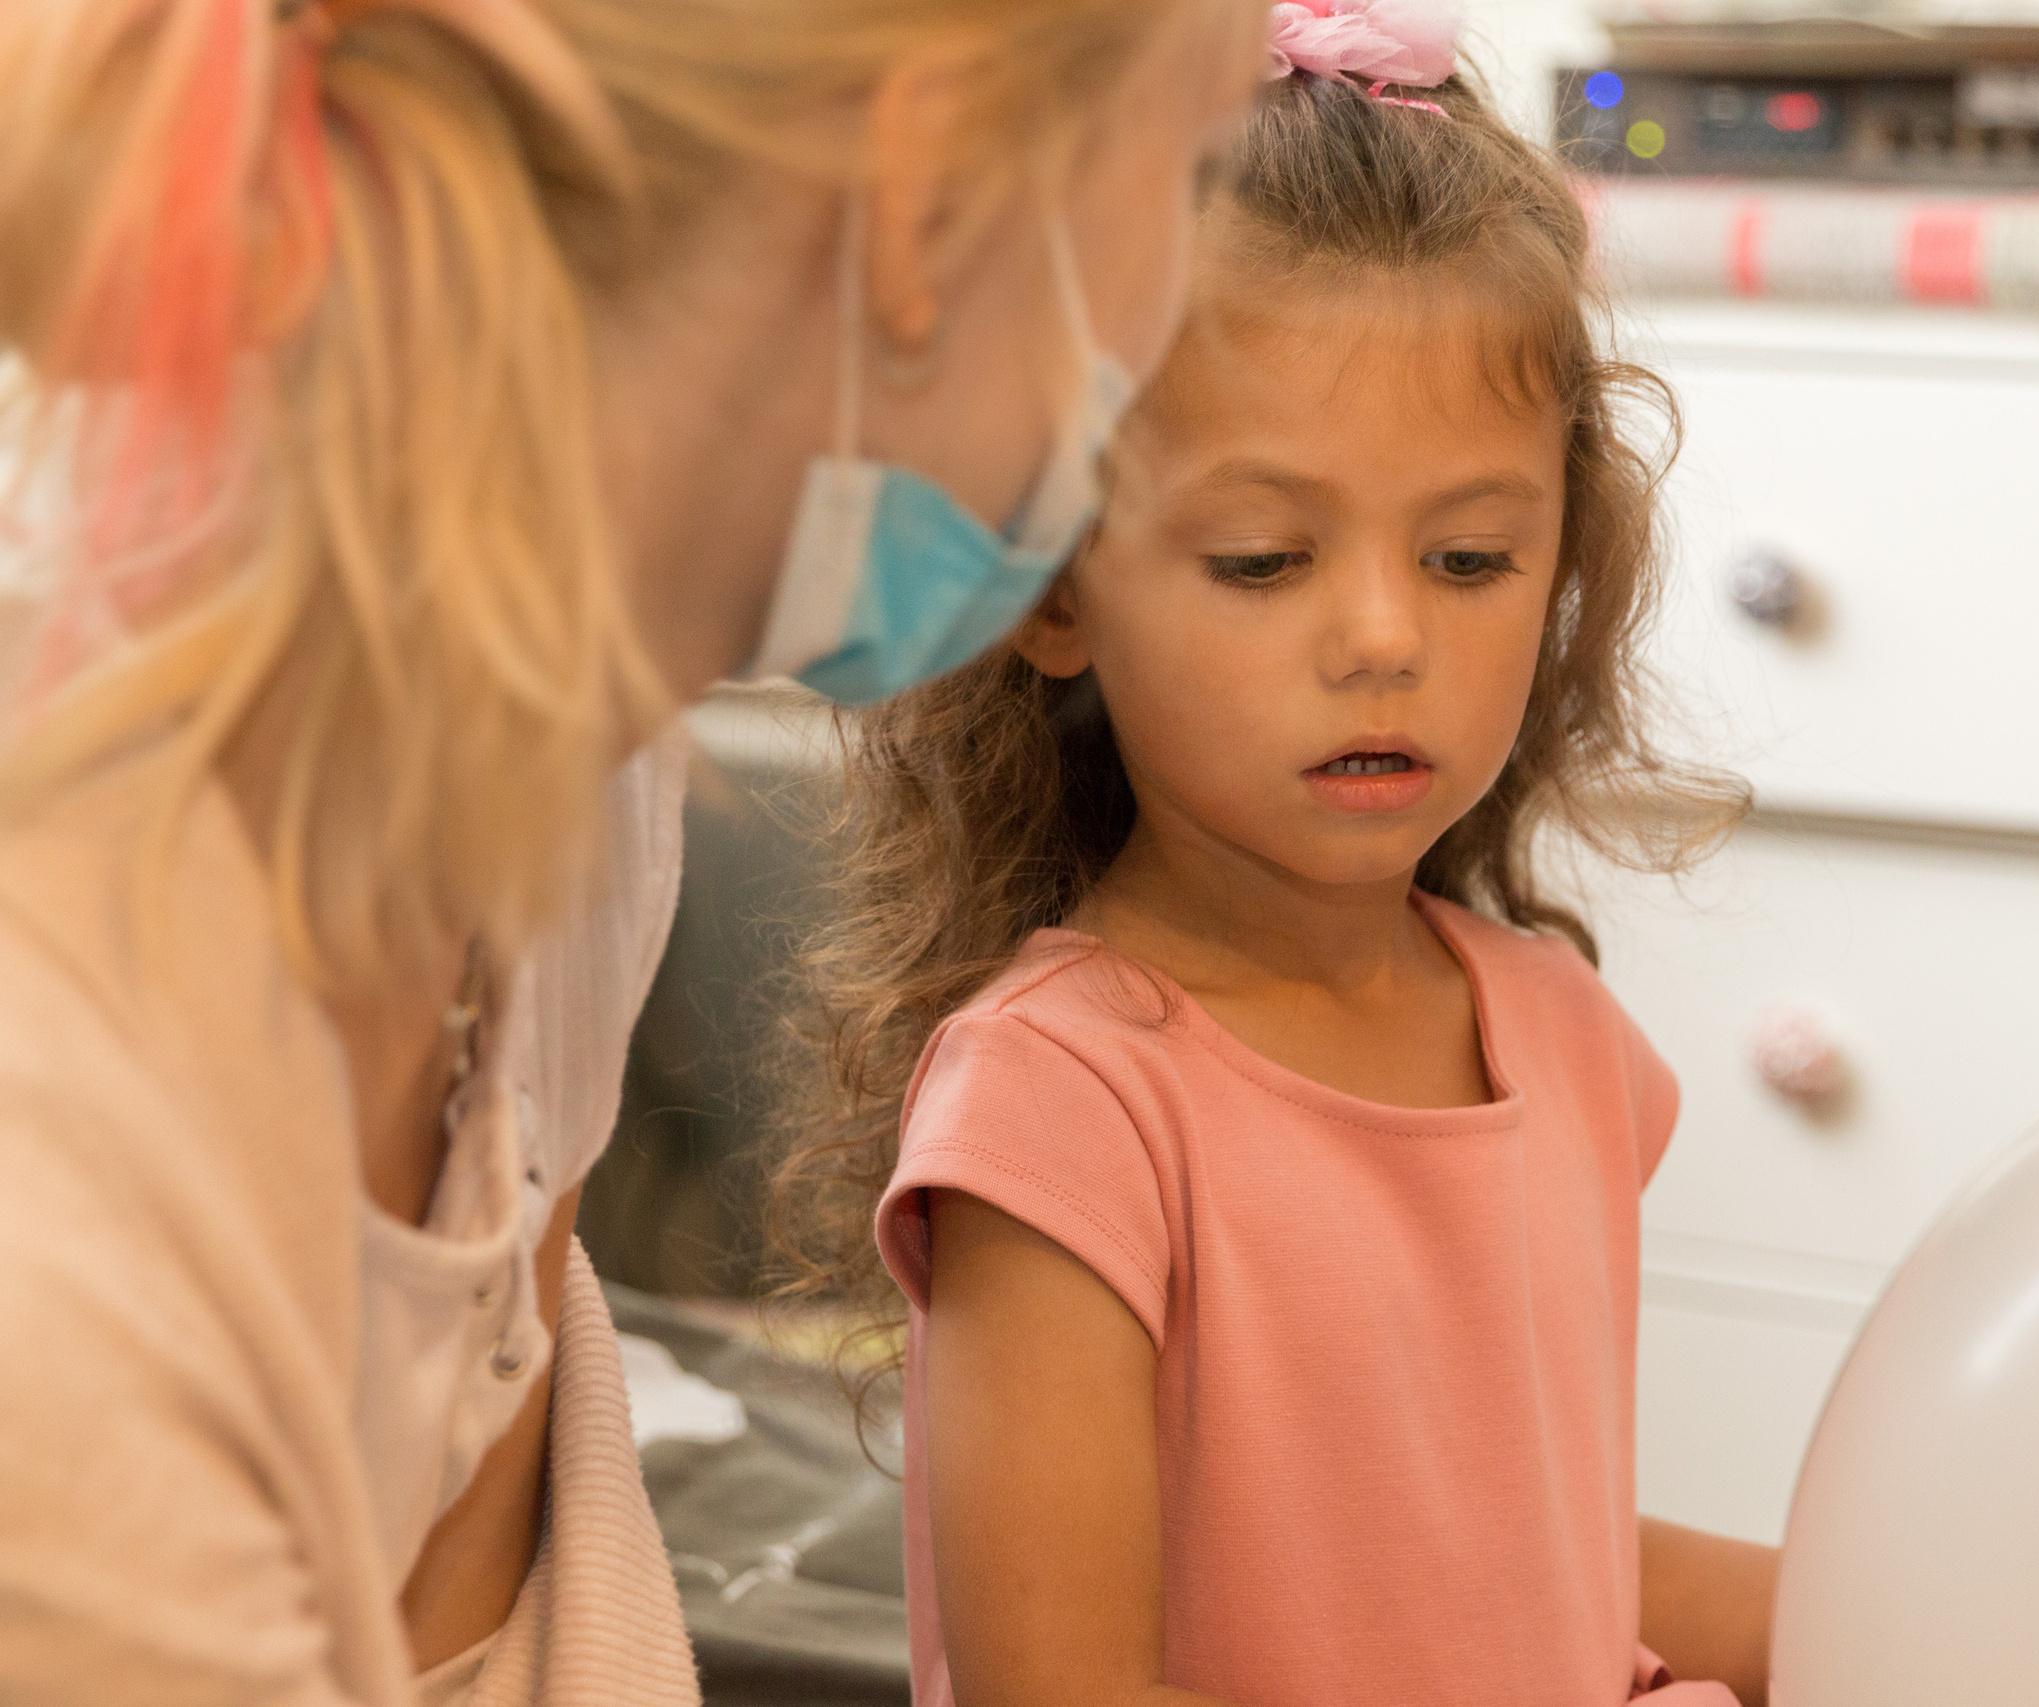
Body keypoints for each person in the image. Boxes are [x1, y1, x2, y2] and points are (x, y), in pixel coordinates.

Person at [0, 0, 1266, 1701]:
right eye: (1189, 176)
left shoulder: (578, 760)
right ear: (930, 199)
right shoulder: (72, 1180)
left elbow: (465, 1586)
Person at [778, 14, 1782, 1706]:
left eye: (1470, 558)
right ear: (1056, 589)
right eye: (1262, 562)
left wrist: (1923, 1597)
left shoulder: (1561, 1042)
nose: (1384, 637)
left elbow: (1540, 1569)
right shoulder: (1064, 1110)